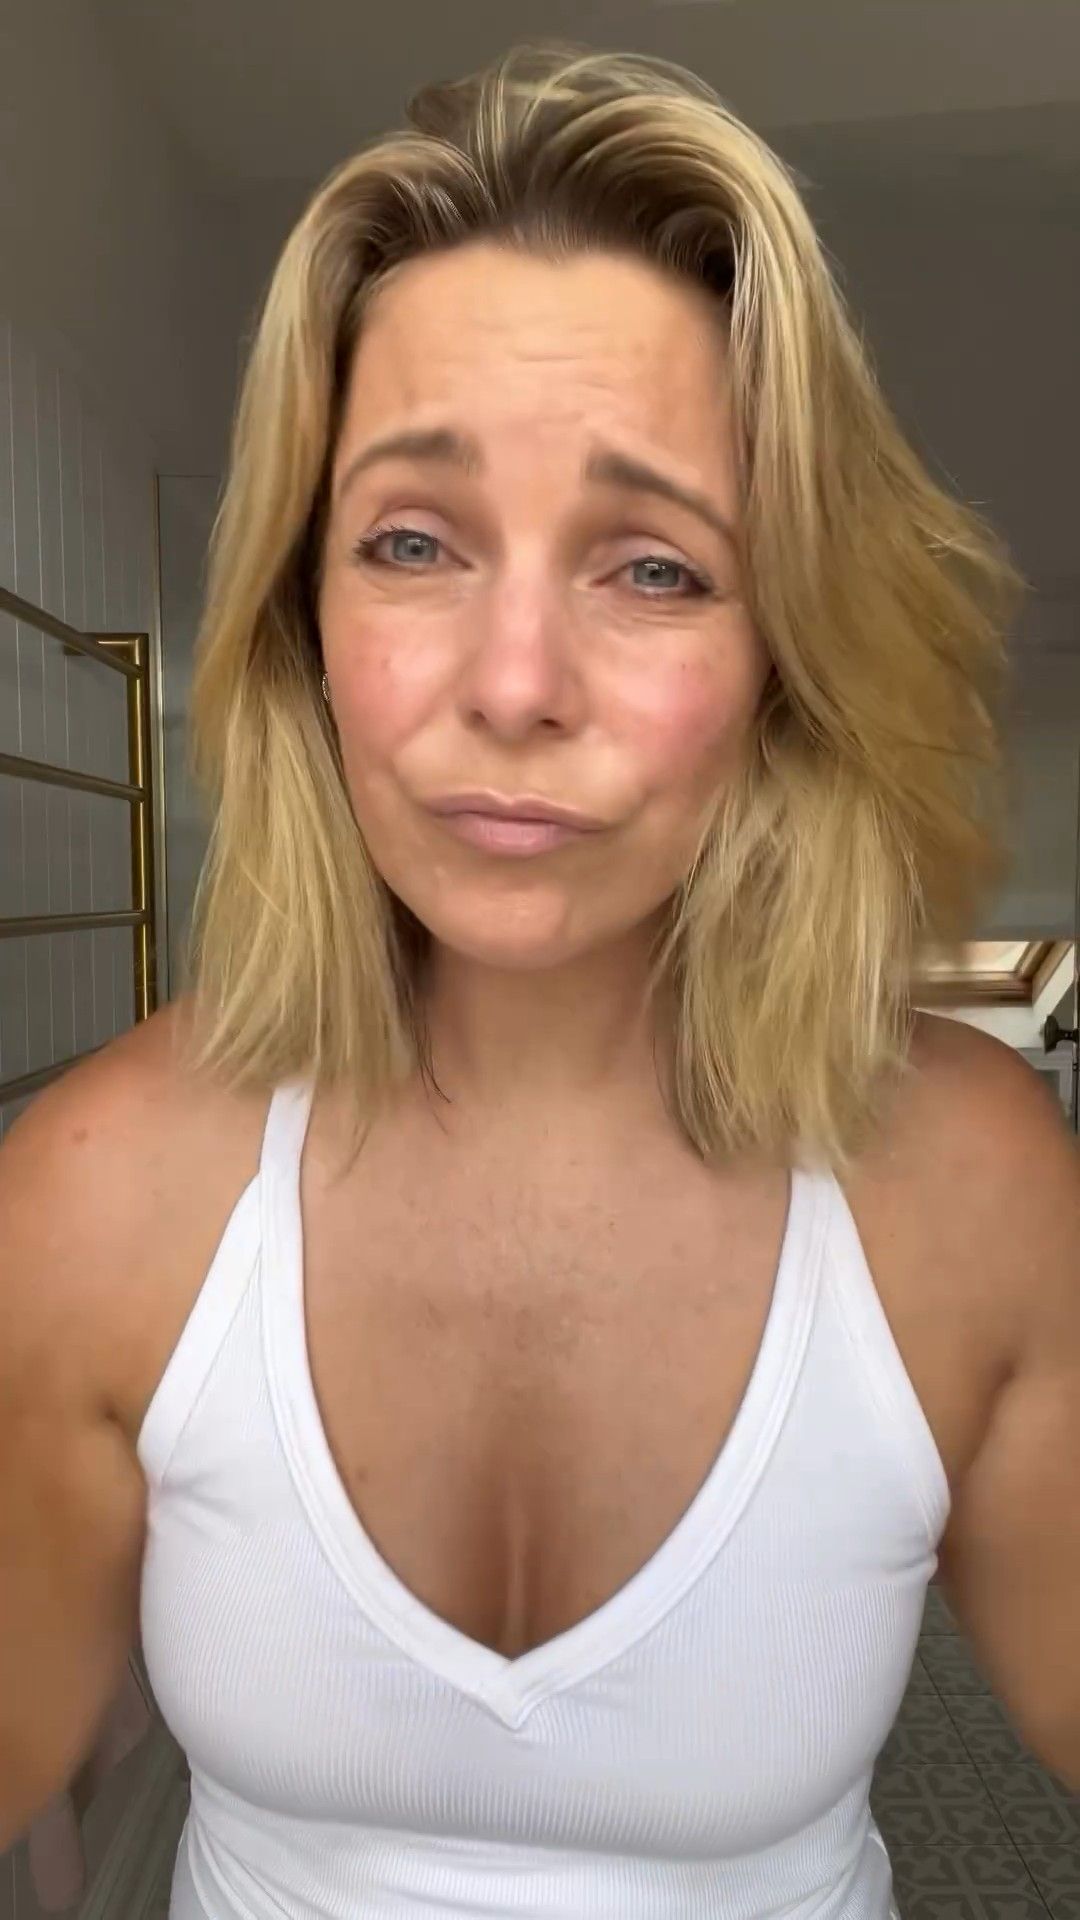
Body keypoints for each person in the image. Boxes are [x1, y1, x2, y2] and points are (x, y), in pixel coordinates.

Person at [1, 40, 1077, 1920]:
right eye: (412, 542)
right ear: (302, 619)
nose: (513, 685)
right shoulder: (102, 1192)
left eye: (653, 569)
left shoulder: (968, 1187)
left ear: (785, 654)